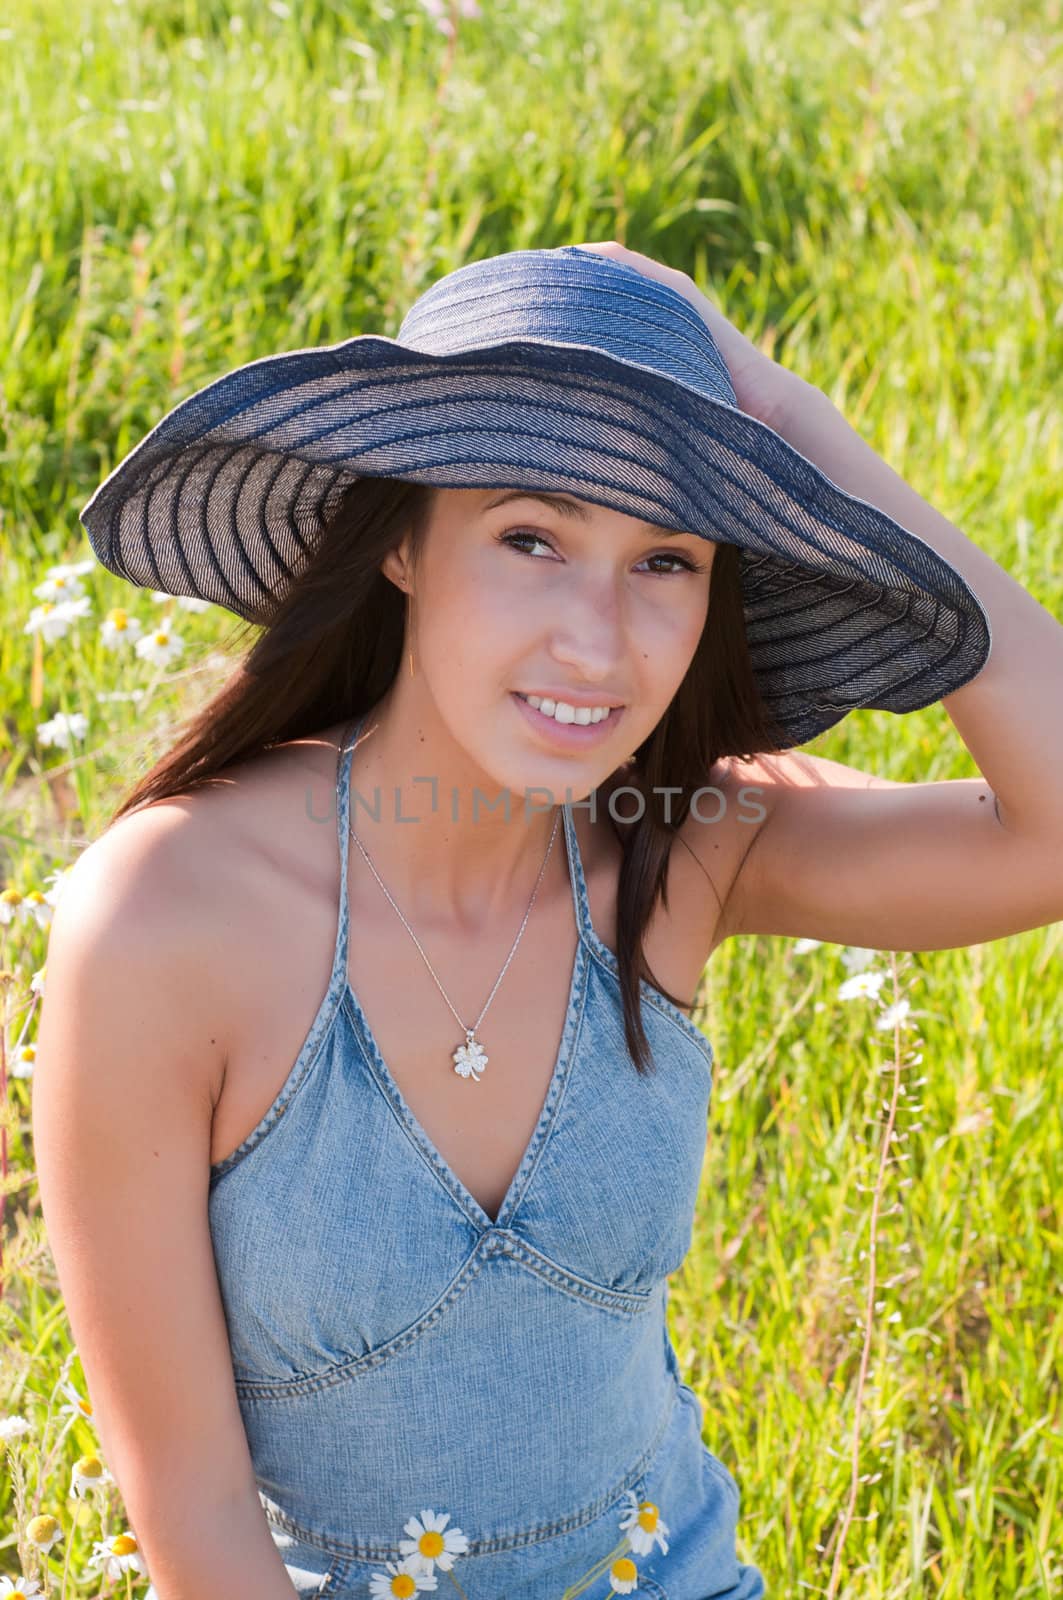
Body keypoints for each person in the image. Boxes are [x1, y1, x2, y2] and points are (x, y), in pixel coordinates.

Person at [31, 243, 1063, 1600]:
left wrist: (785, 413)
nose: (601, 640)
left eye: (667, 561)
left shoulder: (685, 847)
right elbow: (198, 1525)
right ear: (402, 538)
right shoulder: (165, 922)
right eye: (533, 537)